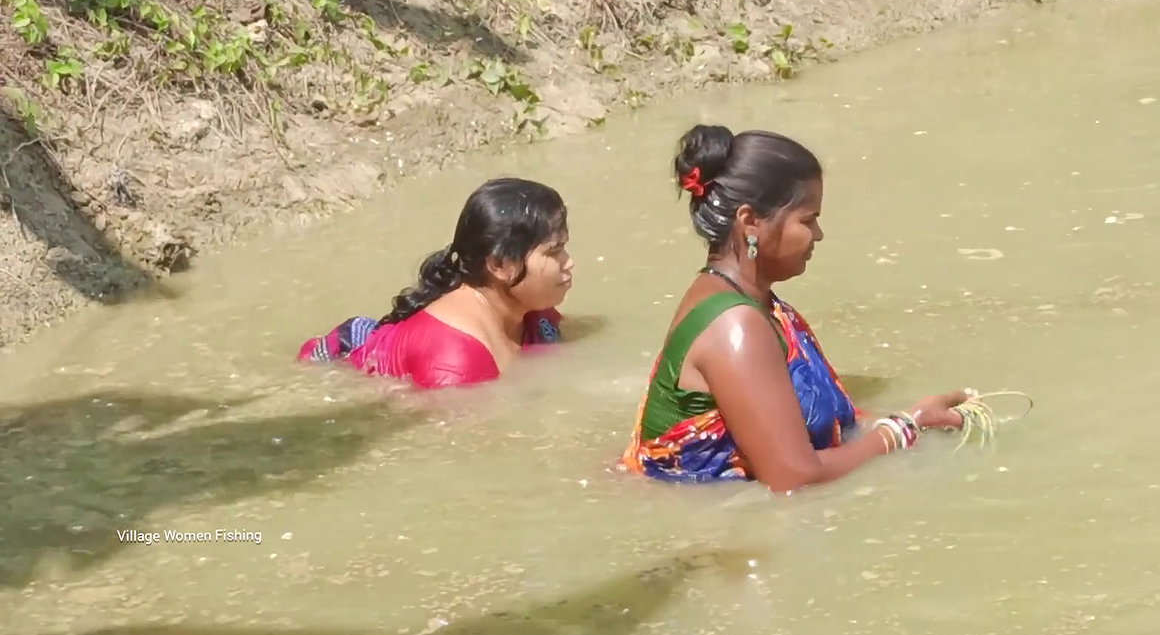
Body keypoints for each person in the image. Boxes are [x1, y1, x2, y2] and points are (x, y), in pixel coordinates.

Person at [619, 125, 975, 493]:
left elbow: (822, 430)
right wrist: (905, 427)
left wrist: (922, 419)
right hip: (716, 538)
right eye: (807, 220)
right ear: (750, 222)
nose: (818, 234)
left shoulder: (762, 307)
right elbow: (792, 477)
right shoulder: (734, 325)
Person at [297, 177, 573, 389]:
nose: (568, 262)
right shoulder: (453, 362)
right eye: (553, 251)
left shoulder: (531, 310)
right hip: (337, 362)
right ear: (500, 266)